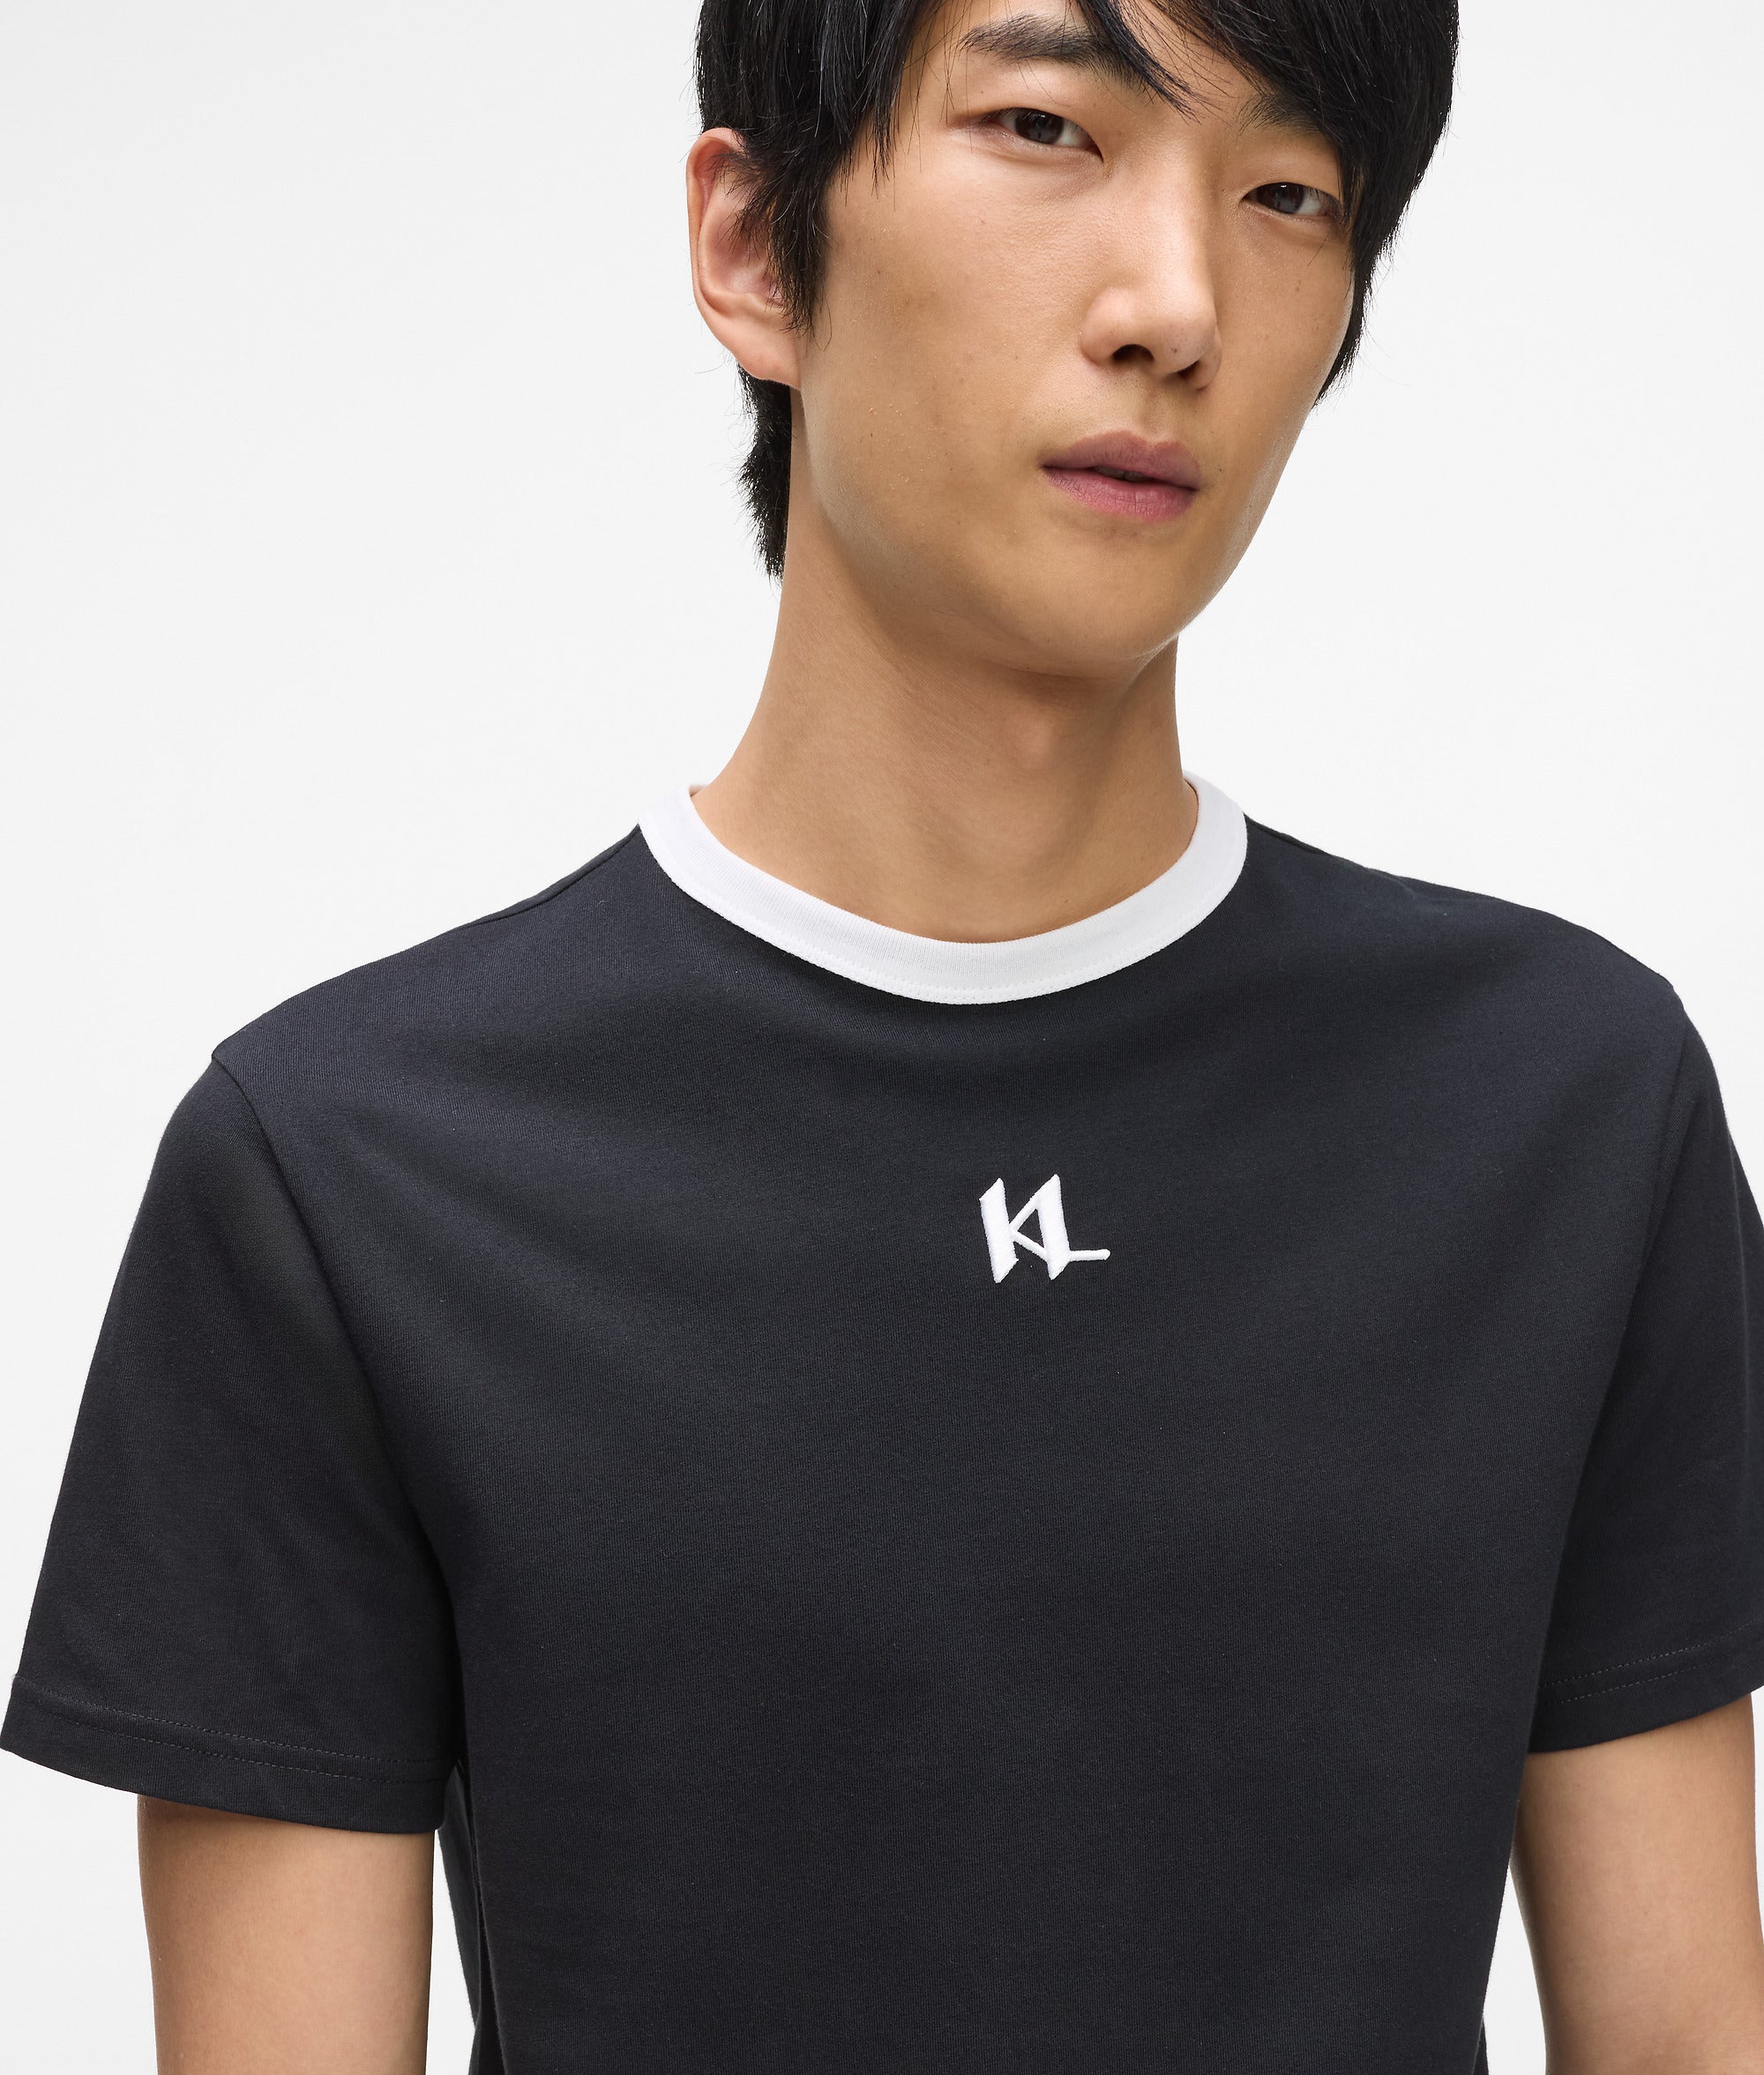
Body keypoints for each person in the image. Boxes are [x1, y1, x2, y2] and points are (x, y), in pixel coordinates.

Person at [6, 0, 1764, 2068]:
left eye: (1290, 192)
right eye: (1044, 127)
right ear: (757, 247)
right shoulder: (344, 1170)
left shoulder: (1564, 1111)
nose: (1177, 304)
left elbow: (1682, 2038)